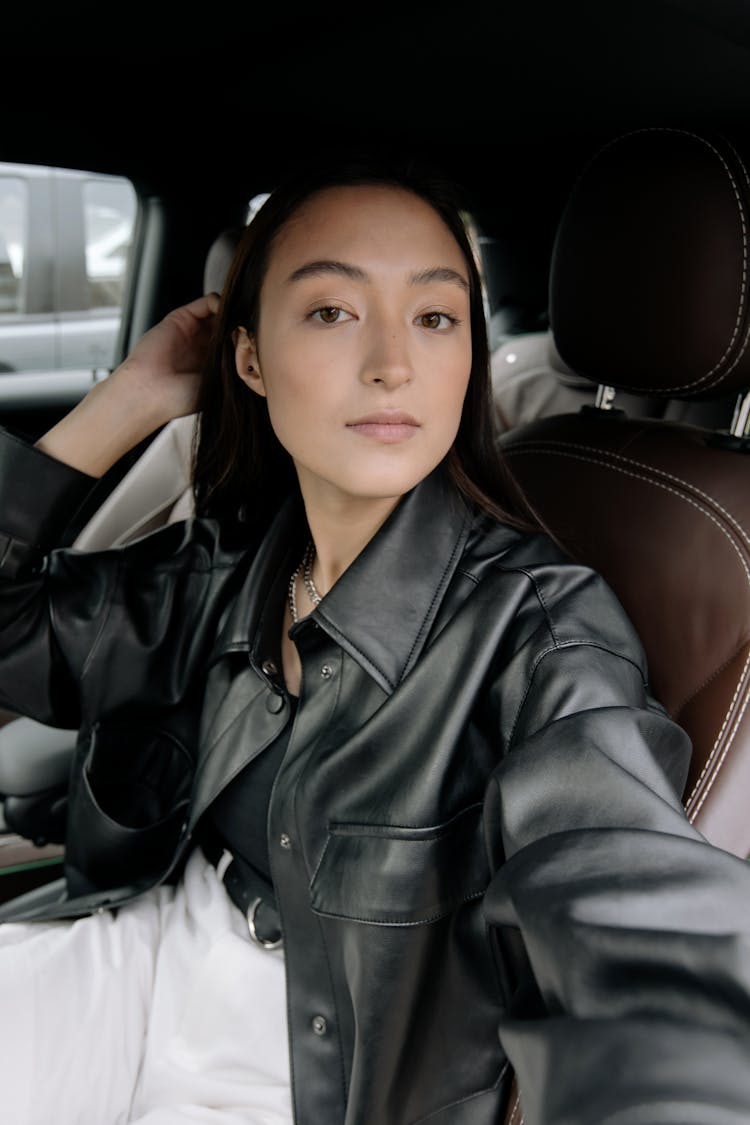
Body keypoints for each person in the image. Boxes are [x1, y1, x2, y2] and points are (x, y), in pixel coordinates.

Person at [0, 154, 749, 1125]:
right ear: (250, 357)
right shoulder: (236, 560)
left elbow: (639, 935)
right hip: (146, 934)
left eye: (436, 317)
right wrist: (132, 399)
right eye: (331, 312)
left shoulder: (542, 634)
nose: (393, 362)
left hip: (318, 1062)